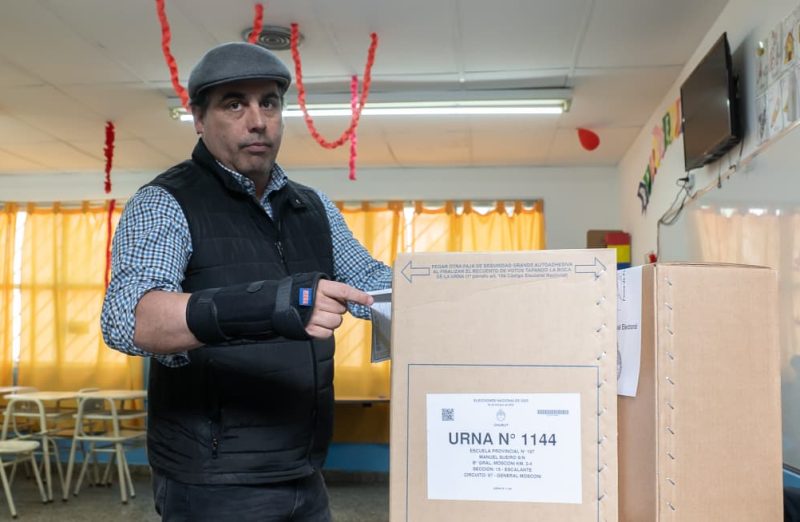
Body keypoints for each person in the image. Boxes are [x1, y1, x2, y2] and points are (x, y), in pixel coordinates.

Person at [100, 41, 392, 521]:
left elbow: (369, 283)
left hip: (304, 470)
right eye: (235, 104)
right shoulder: (165, 201)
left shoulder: (312, 206)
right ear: (199, 118)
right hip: (213, 483)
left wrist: (448, 291)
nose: (258, 121)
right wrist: (271, 304)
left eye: (269, 103)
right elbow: (128, 319)